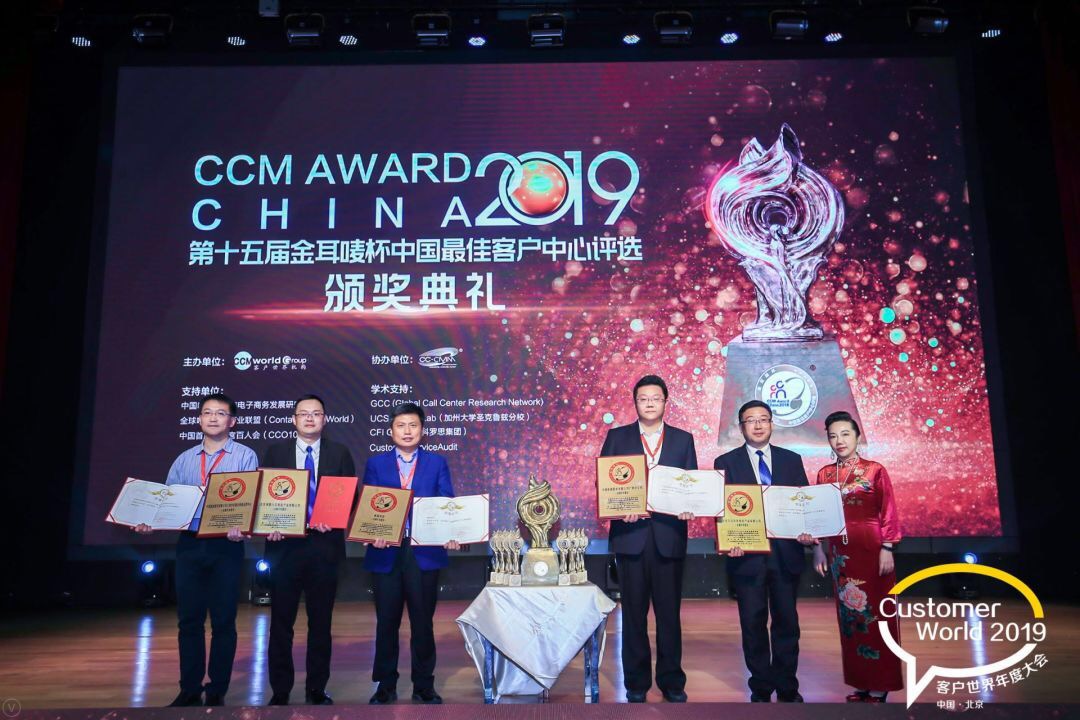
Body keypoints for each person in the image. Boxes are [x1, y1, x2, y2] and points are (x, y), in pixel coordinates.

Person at [135, 393, 258, 707]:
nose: (213, 418)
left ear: (232, 421)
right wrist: (150, 521)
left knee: (223, 620)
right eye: (207, 412)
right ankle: (189, 688)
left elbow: (249, 501)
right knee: (189, 620)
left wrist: (241, 526)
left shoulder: (245, 456)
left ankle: (217, 689)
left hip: (226, 545)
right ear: (199, 419)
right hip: (189, 545)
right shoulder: (184, 459)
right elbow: (167, 503)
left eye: (220, 413)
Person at [599, 375, 697, 703]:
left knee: (669, 616)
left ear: (666, 402)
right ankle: (636, 683)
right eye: (644, 398)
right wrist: (619, 508)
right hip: (631, 537)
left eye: (656, 398)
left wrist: (690, 506)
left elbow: (691, 484)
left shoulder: (683, 439)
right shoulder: (617, 437)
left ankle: (672, 682)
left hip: (669, 537)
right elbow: (604, 483)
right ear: (635, 403)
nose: (650, 403)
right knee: (634, 614)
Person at [713, 400, 815, 703]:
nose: (758, 425)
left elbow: (803, 503)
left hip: (786, 555)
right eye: (751, 420)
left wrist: (806, 531)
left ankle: (787, 687)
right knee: (752, 624)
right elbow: (721, 509)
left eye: (763, 419)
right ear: (741, 427)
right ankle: (760, 687)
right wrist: (727, 540)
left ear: (771, 424)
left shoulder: (791, 460)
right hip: (746, 558)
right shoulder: (726, 462)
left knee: (787, 624)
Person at [261, 394, 357, 706]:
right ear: (294, 419)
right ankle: (280, 689)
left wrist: (335, 517)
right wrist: (270, 523)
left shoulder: (339, 453)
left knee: (321, 624)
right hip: (284, 548)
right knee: (281, 624)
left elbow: (351, 496)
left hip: (324, 549)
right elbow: (264, 495)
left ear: (324, 420)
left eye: (316, 413)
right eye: (304, 414)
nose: (310, 418)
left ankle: (316, 688)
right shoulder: (275, 452)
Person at [363, 402, 459, 705]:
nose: (407, 431)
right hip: (386, 552)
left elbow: (446, 501)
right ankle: (385, 685)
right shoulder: (376, 464)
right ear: (391, 431)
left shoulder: (436, 462)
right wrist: (372, 532)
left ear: (422, 430)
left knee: (422, 623)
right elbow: (369, 504)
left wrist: (451, 531)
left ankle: (424, 686)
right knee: (386, 622)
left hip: (424, 551)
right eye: (401, 425)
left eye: (413, 425)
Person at [811, 411, 902, 702]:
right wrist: (817, 549)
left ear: (857, 436)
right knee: (851, 618)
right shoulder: (825, 474)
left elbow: (888, 510)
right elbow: (818, 515)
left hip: (872, 550)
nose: (839, 441)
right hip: (841, 554)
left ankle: (881, 684)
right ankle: (861, 682)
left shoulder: (875, 470)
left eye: (845, 434)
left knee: (878, 615)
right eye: (833, 436)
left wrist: (888, 547)